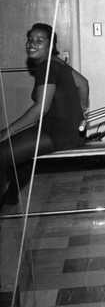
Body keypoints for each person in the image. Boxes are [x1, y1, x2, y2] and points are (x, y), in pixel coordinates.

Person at [0, 23, 89, 208]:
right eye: (30, 39)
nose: (32, 44)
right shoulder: (56, 62)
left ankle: (7, 198)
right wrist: (80, 110)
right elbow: (83, 83)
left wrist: (7, 130)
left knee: (2, 153)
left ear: (51, 45)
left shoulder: (45, 67)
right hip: (68, 131)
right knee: (21, 152)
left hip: (57, 133)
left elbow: (40, 110)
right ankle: (10, 196)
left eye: (40, 40)